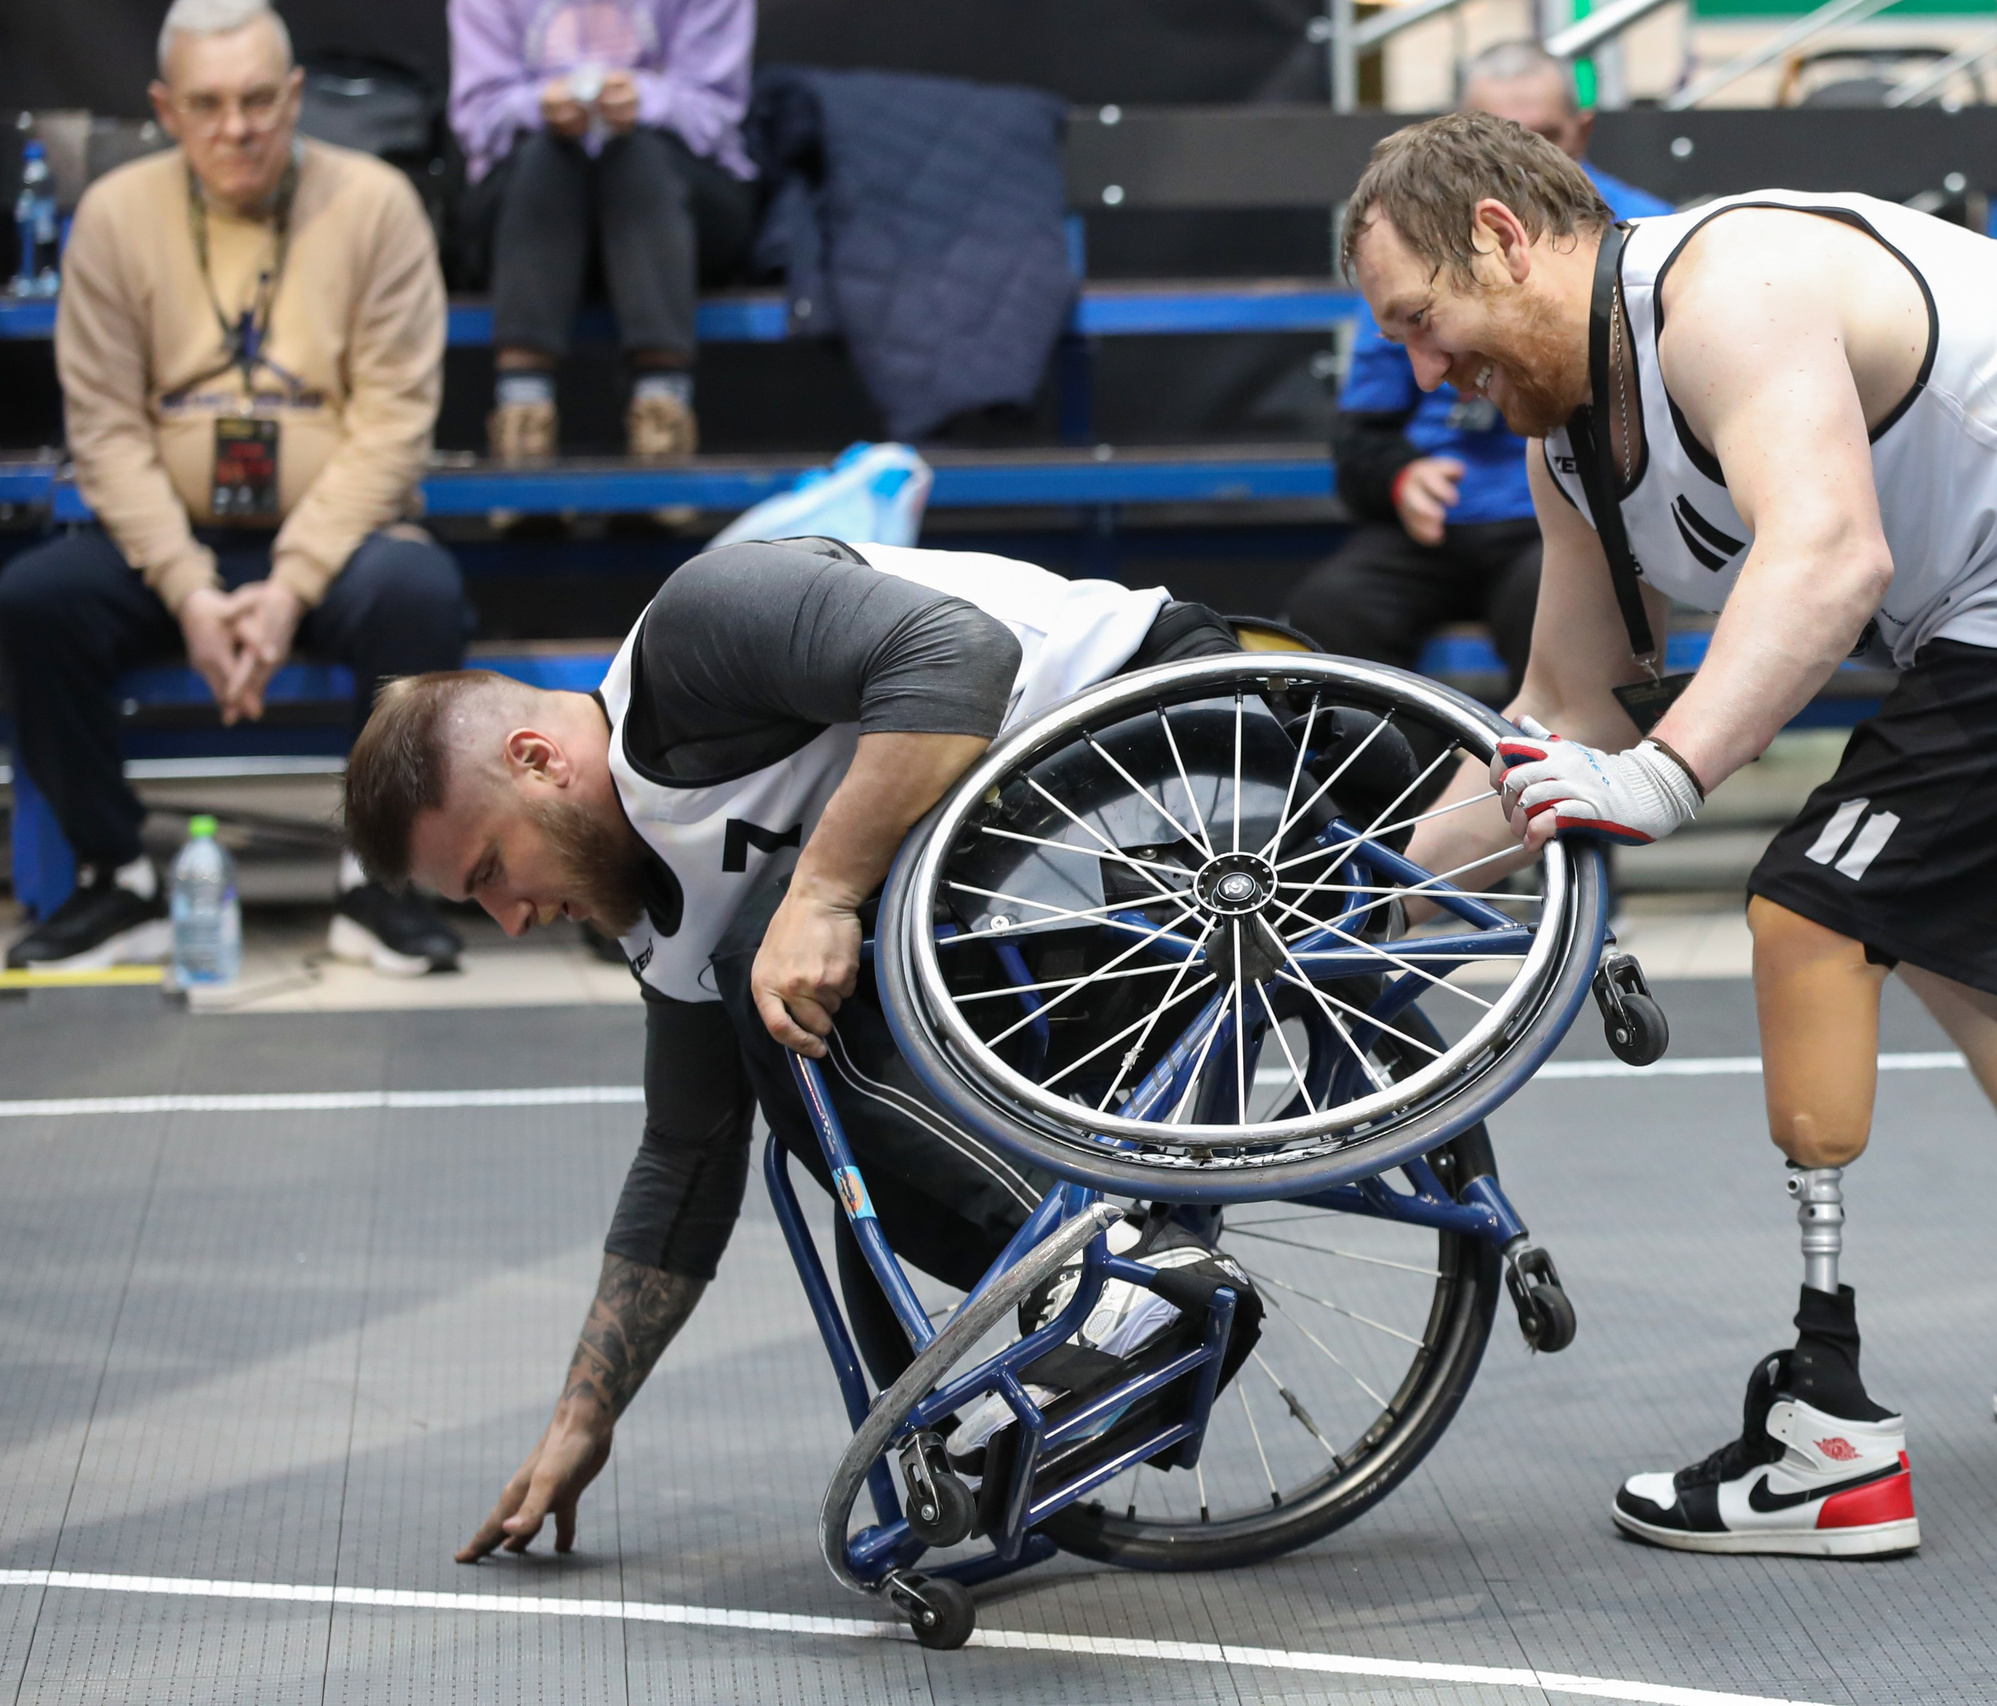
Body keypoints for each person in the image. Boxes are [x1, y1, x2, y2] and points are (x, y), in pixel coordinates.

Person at [1343, 112, 1997, 1557]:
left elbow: (1833, 555)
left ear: (1500, 233)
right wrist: (1369, 915)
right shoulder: (1570, 451)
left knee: (1816, 912)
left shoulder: (1728, 290)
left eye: (1426, 321)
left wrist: (1670, 779)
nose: (1426, 370)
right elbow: (1560, 718)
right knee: (1970, 953)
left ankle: (1828, 1436)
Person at [339, 537, 1252, 1559]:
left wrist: (822, 891)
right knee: (806, 1083)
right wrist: (583, 1418)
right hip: (1042, 855)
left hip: (1163, 727)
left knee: (770, 966)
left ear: (538, 761)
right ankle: (1028, 1373)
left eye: (490, 872)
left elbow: (962, 653)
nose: (508, 919)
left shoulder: (695, 629)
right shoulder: (662, 929)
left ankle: (1124, 1274)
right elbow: (685, 1161)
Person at [0, 0, 468, 977]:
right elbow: (107, 431)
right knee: (34, 602)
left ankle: (375, 880)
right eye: (208, 104)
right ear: (166, 109)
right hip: (168, 539)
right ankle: (115, 876)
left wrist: (290, 580)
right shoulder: (117, 219)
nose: (237, 126)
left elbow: (393, 426)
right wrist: (189, 587)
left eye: (259, 99)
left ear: (294, 97)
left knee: (420, 598)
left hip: (336, 536)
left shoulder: (375, 204)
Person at [1287, 42, 1671, 700]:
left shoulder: (1649, 242)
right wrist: (1400, 476)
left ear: (1582, 130)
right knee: (1330, 614)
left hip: (1571, 518)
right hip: (1442, 526)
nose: (1521, 164)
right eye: (1502, 138)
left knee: (1563, 612)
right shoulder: (1407, 251)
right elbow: (1364, 431)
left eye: (1545, 138)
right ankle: (1403, 795)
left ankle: (1553, 791)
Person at [448, 0, 759, 465]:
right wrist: (538, 106)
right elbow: (478, 118)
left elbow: (717, 113)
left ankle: (662, 412)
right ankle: (523, 415)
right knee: (547, 158)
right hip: (527, 209)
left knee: (635, 156)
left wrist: (647, 102)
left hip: (676, 208)